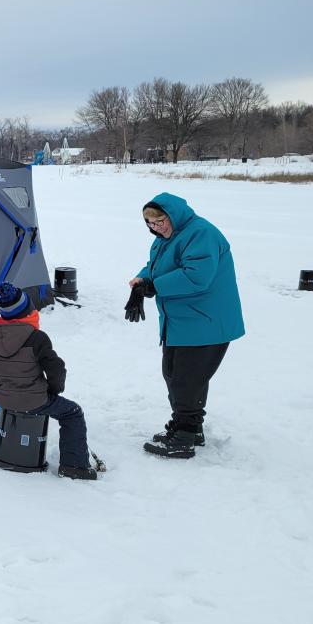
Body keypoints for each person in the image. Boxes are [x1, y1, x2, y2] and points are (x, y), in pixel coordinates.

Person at [127, 192, 244, 459]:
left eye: (160, 221)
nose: (156, 227)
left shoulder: (201, 233)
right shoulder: (166, 239)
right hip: (181, 321)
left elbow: (197, 275)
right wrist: (142, 279)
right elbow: (155, 266)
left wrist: (155, 286)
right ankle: (188, 427)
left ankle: (184, 437)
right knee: (173, 373)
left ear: (174, 215)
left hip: (206, 321)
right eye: (150, 223)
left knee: (186, 380)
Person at [0, 282, 97, 480]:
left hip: (1, 397)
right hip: (32, 400)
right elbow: (56, 369)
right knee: (72, 413)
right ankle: (75, 467)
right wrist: (53, 390)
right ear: (27, 309)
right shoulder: (36, 337)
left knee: (23, 398)